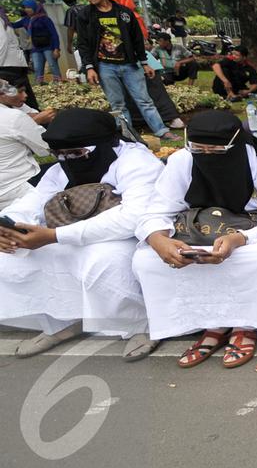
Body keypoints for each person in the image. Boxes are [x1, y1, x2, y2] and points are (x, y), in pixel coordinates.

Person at [132, 110, 257, 369]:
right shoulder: (183, 160)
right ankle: (212, 324)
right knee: (145, 259)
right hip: (198, 232)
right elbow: (156, 210)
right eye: (199, 150)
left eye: (216, 150)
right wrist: (157, 239)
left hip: (254, 236)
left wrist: (238, 239)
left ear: (236, 143)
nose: (206, 156)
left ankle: (246, 326)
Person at [0, 108, 163, 359]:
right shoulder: (61, 169)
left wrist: (54, 236)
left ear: (105, 145)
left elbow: (132, 217)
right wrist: (9, 227)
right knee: (13, 256)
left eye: (77, 153)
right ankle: (63, 322)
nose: (67, 160)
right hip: (68, 231)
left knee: (103, 260)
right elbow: (33, 202)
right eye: (60, 155)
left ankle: (139, 326)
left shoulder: (136, 162)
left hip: (128, 236)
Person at [75, 0, 176, 141]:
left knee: (144, 100)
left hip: (130, 65)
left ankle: (161, 131)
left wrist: (144, 63)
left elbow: (137, 40)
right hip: (105, 66)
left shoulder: (124, 13)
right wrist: (89, 67)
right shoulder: (85, 15)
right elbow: (83, 44)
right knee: (118, 105)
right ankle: (128, 138)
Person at [0, 79, 49, 209]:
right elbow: (45, 148)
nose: (25, 96)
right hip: (18, 185)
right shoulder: (13, 117)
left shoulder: (14, 113)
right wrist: (36, 121)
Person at [17, 0, 60, 83]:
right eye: (25, 8)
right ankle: (39, 84)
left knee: (52, 65)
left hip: (48, 46)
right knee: (37, 67)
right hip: (36, 47)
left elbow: (54, 34)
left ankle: (58, 83)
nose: (26, 10)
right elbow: (13, 25)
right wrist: (3, 18)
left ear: (34, 7)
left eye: (28, 7)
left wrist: (56, 48)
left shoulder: (44, 19)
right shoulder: (26, 20)